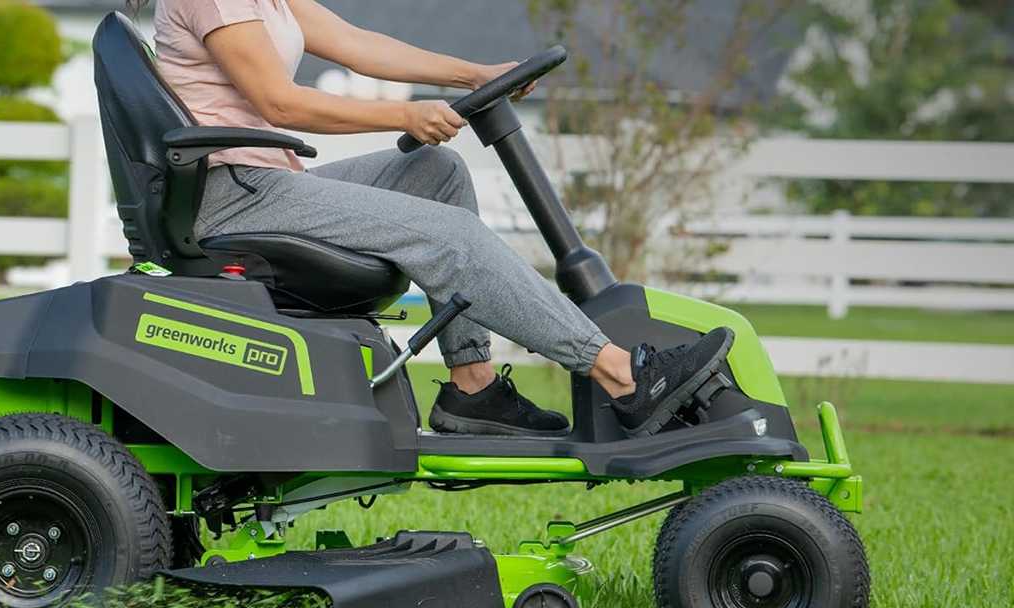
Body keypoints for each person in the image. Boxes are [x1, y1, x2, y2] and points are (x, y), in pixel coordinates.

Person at [138, 0, 734, 438]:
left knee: (437, 172)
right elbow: (279, 102)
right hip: (233, 194)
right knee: (453, 240)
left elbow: (358, 42)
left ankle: (472, 388)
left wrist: (472, 75)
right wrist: (402, 112)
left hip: (267, 181)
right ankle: (622, 374)